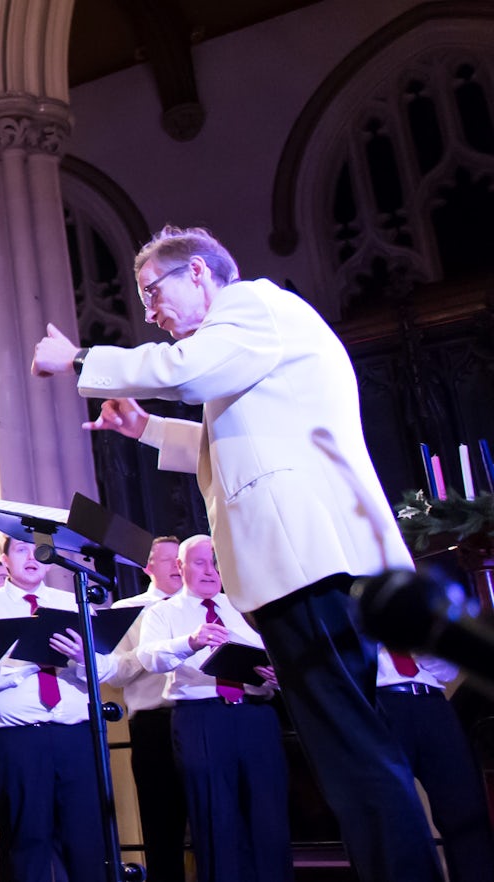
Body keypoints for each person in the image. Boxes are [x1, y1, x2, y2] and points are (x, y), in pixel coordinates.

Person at [31, 223, 442, 882]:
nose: (149, 313)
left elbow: (187, 375)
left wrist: (81, 359)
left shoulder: (252, 305)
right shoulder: (256, 343)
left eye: (152, 291)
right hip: (306, 567)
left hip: (307, 566)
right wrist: (144, 428)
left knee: (356, 758)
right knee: (350, 758)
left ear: (197, 272)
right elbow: (239, 436)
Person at [0, 537, 110, 882]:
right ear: (4, 561)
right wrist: (29, 663)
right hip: (18, 741)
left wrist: (82, 660)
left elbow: (109, 669)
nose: (31, 557)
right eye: (20, 550)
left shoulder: (74, 602)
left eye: (38, 550)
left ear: (50, 560)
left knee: (86, 842)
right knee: (26, 843)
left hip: (76, 737)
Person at [133, 535, 288, 882]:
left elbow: (276, 657)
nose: (209, 570)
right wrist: (190, 642)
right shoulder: (164, 612)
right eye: (200, 562)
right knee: (215, 815)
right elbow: (149, 657)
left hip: (254, 715)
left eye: (216, 562)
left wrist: (276, 676)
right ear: (180, 566)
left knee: (269, 815)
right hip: (202, 719)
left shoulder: (245, 608)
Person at [105, 535, 187, 882]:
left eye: (179, 559)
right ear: (147, 567)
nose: (176, 567)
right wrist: (151, 651)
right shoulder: (127, 610)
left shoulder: (203, 605)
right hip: (154, 721)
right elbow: (116, 673)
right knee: (161, 822)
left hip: (202, 717)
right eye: (167, 560)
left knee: (215, 814)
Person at [376, 647, 494, 882]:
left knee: (467, 812)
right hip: (378, 700)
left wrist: (418, 643)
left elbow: (448, 672)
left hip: (431, 700)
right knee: (394, 822)